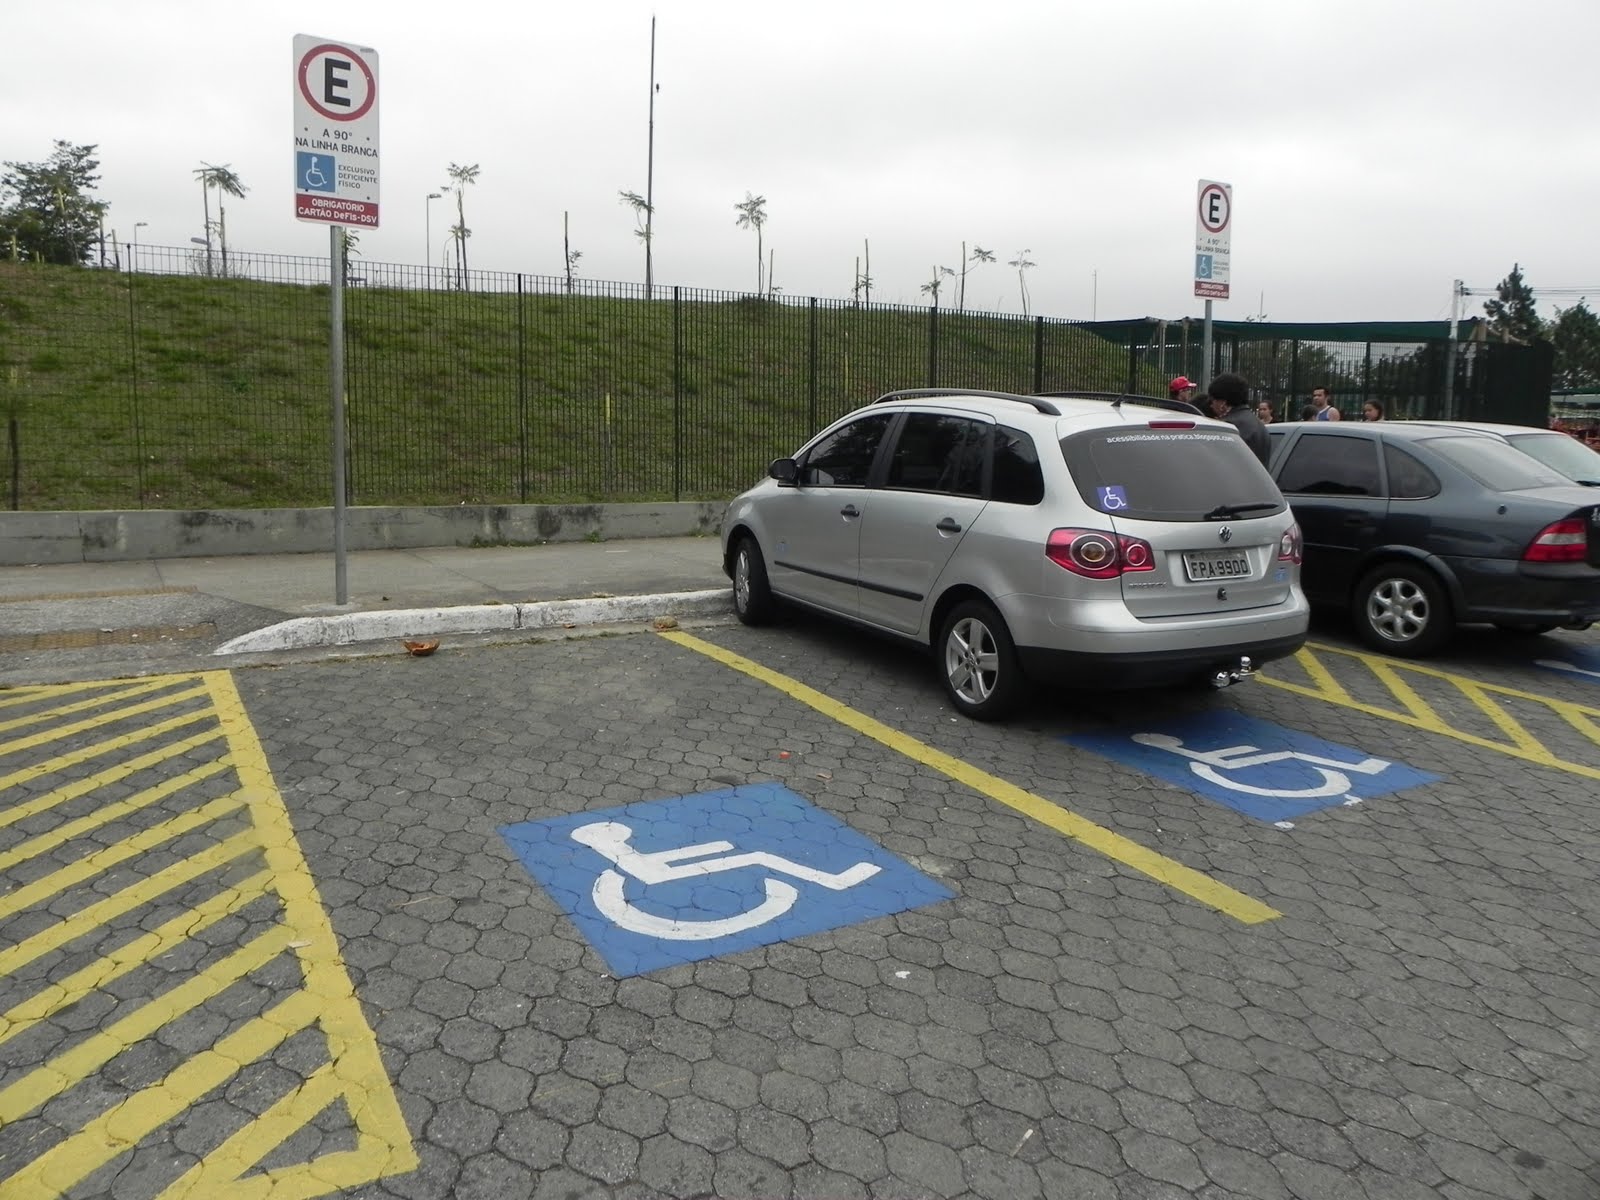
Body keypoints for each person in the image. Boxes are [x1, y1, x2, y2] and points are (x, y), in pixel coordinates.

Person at [1207, 372, 1270, 465]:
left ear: (1223, 403)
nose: (1211, 405)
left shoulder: (1228, 428)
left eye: (1212, 400)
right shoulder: (1259, 425)